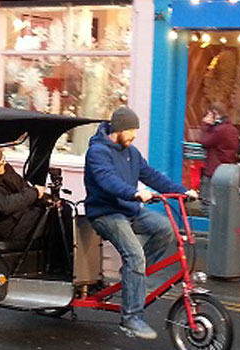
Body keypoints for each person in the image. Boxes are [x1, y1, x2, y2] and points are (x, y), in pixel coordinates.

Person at [84, 107, 198, 340]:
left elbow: (152, 176)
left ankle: (132, 274)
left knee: (165, 229)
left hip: (129, 210)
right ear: (118, 130)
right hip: (105, 213)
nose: (134, 135)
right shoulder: (97, 152)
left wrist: (182, 191)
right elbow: (107, 181)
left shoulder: (131, 152)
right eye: (131, 130)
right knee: (135, 254)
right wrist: (134, 193)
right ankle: (131, 317)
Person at [199, 101, 240, 215]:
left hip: (213, 169)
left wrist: (206, 125)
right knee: (222, 202)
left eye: (209, 114)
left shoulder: (218, 130)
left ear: (215, 114)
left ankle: (209, 228)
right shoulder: (232, 129)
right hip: (226, 170)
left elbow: (204, 142)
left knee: (206, 201)